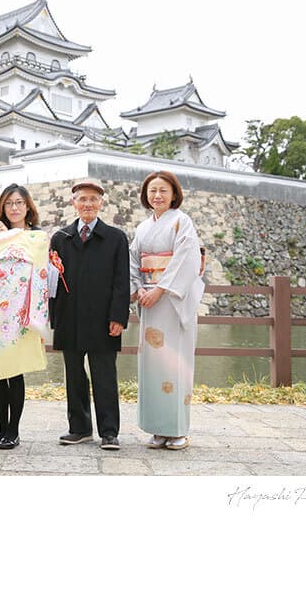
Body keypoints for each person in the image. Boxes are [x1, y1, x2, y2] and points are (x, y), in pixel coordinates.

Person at [49, 178, 130, 450]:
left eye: (93, 199)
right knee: (74, 375)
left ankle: (109, 431)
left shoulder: (116, 238)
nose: (87, 204)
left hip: (103, 318)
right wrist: (53, 318)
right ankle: (79, 428)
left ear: (101, 203)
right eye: (82, 199)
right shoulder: (60, 238)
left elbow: (122, 281)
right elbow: (52, 281)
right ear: (73, 203)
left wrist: (118, 317)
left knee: (104, 375)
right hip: (69, 317)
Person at [129, 170, 205, 451]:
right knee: (153, 364)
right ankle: (158, 428)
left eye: (163, 190)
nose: (157, 196)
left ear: (174, 194)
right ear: (145, 196)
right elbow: (133, 260)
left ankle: (178, 429)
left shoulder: (182, 222)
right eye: (152, 191)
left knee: (176, 363)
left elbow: (186, 258)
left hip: (172, 301)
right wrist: (138, 289)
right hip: (149, 298)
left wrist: (160, 289)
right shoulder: (142, 227)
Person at [0, 185, 49, 450]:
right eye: (8, 204)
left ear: (28, 206)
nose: (14, 208)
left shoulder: (36, 238)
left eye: (19, 203)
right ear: (2, 208)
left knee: (14, 372)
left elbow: (40, 273)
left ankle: (13, 430)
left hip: (21, 315)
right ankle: (0, 428)